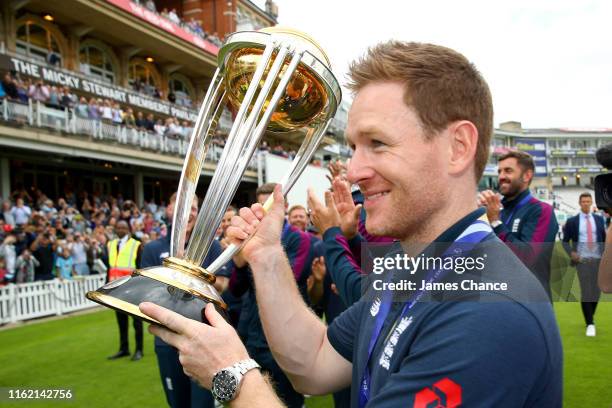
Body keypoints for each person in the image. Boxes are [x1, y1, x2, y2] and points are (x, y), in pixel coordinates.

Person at [140, 41, 562, 406]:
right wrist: (266, 256)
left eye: (377, 143)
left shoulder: (490, 311)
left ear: (458, 148)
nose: (354, 170)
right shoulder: (414, 268)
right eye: (354, 147)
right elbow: (317, 361)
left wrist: (230, 375)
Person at [141, 193, 232, 408]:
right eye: (183, 206)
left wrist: (194, 275)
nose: (189, 212)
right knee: (177, 403)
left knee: (202, 404)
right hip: (167, 339)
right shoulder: (153, 249)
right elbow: (145, 293)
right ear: (170, 210)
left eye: (193, 208)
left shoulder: (212, 247)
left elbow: (224, 285)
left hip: (203, 336)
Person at [225, 183, 311, 408]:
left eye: (271, 207)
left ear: (284, 207)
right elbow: (235, 289)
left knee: (288, 398)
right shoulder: (249, 239)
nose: (264, 214)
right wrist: (239, 260)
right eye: (261, 207)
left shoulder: (299, 239)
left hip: (286, 334)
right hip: (253, 331)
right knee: (255, 395)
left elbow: (289, 277)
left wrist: (254, 255)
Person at [479, 150, 559, 297]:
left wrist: (495, 222)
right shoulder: (494, 210)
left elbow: (528, 258)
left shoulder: (541, 211)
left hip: (529, 304)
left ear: (527, 176)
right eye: (500, 171)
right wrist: (477, 218)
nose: (501, 176)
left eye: (508, 171)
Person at [562, 192, 606, 336]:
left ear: (592, 203)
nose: (586, 204)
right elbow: (564, 242)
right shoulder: (572, 221)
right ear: (580, 203)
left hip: (598, 261)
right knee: (587, 291)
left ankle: (590, 315)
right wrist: (572, 253)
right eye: (584, 202)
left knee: (596, 292)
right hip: (583, 261)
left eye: (588, 201)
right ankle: (590, 323)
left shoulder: (599, 220)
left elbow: (605, 241)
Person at [106, 220, 143, 361]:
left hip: (132, 289)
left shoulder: (136, 245)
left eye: (123, 227)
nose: (121, 229)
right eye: (118, 227)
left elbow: (140, 268)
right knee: (121, 321)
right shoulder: (110, 245)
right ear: (115, 229)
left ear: (128, 229)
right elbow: (110, 268)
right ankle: (124, 348)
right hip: (116, 289)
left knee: (136, 321)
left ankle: (139, 350)